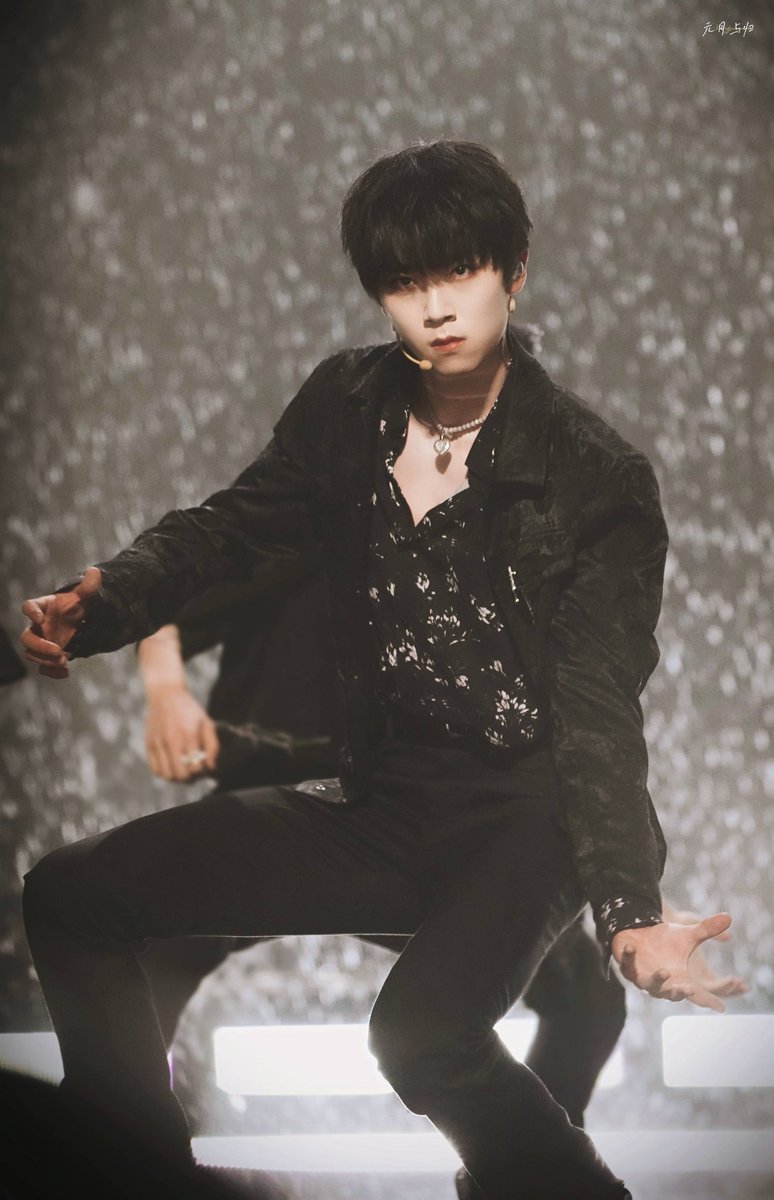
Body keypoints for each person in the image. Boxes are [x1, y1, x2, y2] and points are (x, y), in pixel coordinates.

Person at [21, 140, 736, 1200]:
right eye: (404, 283)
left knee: (421, 1035)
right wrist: (108, 602)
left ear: (514, 269)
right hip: (382, 799)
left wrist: (629, 908)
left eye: (460, 272)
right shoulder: (348, 406)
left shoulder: (596, 477)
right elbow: (232, 528)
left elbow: (597, 707)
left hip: (526, 820)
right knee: (69, 894)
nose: (435, 306)